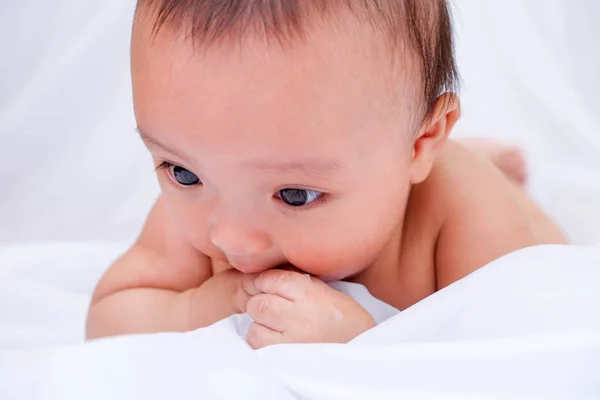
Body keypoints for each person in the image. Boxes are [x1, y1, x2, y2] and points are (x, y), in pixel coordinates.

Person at [86, 0, 566, 348]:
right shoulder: (221, 188)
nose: (233, 240)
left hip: (493, 208)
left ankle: (489, 167)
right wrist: (203, 306)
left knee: (508, 207)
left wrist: (364, 339)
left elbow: (513, 351)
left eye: (294, 194)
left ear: (421, 143)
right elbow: (106, 321)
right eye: (183, 174)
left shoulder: (461, 212)